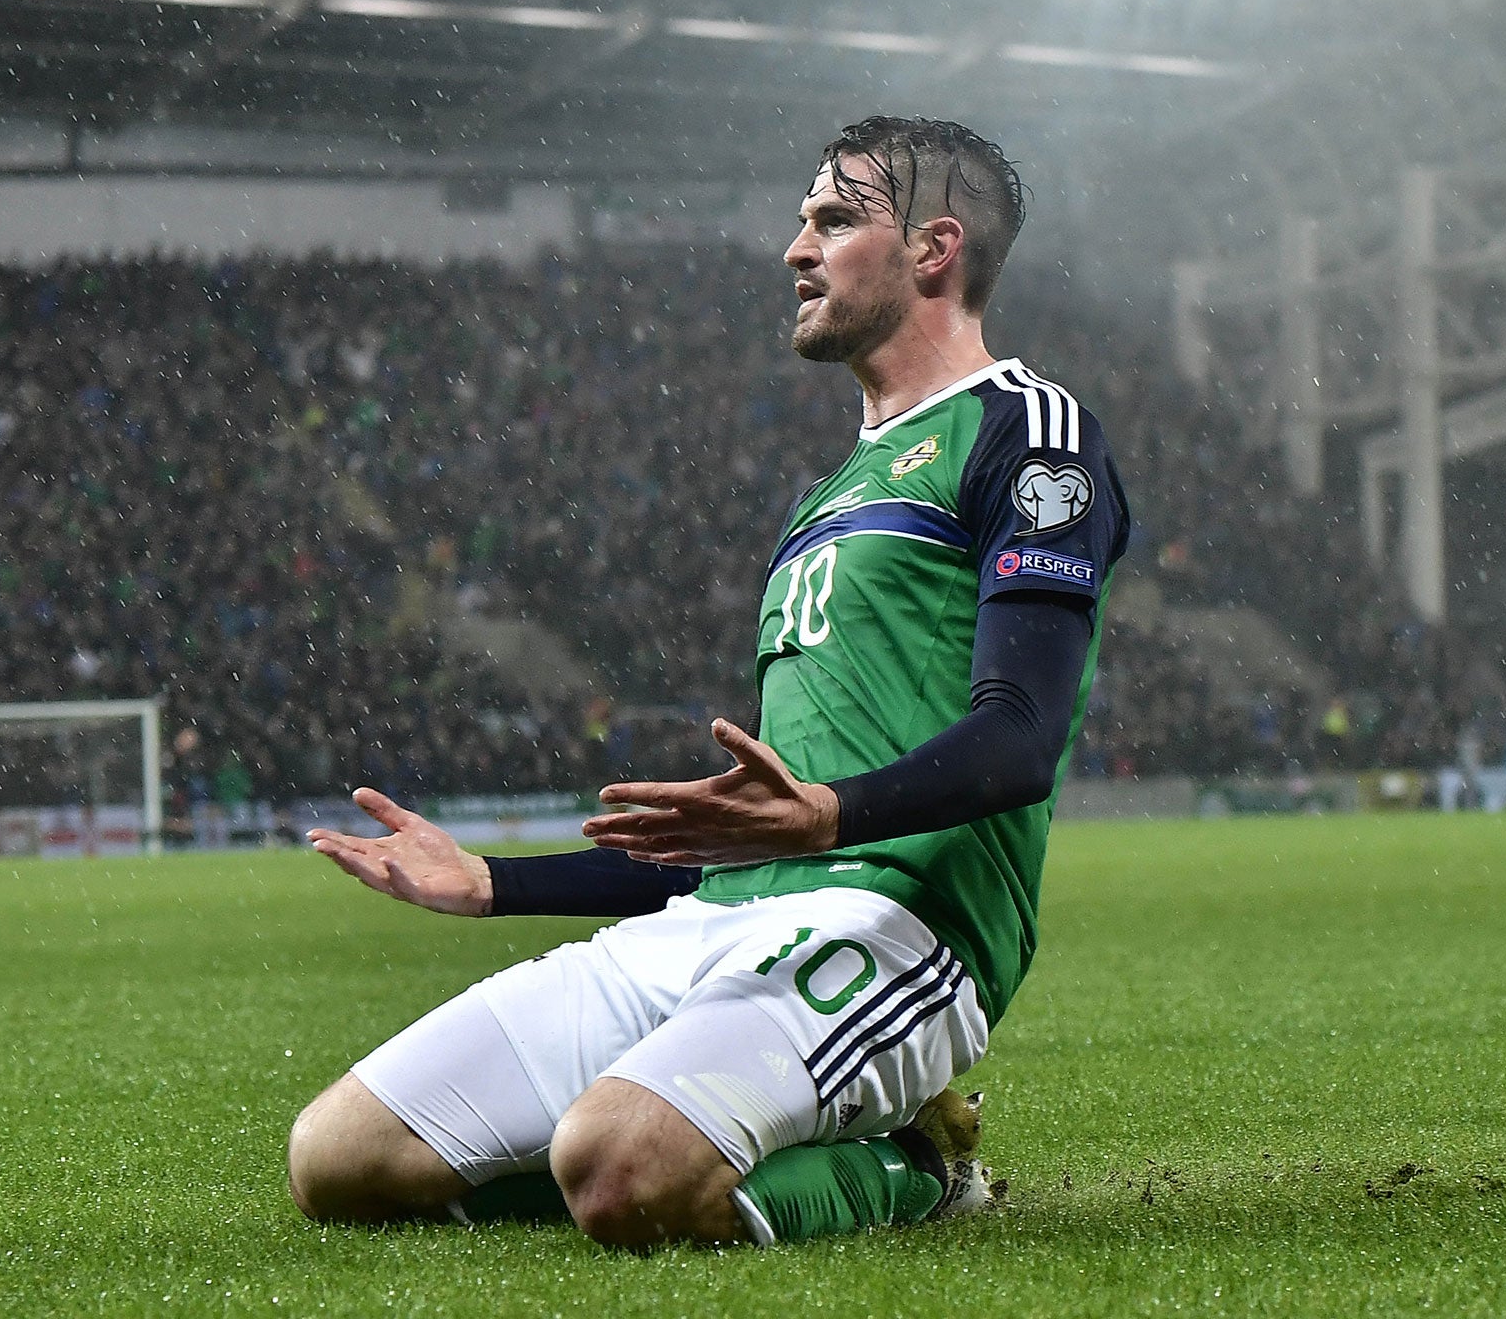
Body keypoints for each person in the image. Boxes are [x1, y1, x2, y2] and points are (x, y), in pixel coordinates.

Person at [289, 115, 1130, 1247]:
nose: (795, 249)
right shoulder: (830, 493)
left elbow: (1018, 738)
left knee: (621, 1173)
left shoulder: (1025, 432)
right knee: (340, 1161)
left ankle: (920, 1165)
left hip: (896, 928)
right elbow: (758, 828)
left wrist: (829, 817)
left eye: (832, 221)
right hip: (716, 923)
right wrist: (493, 882)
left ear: (933, 250)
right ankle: (679, 1137)